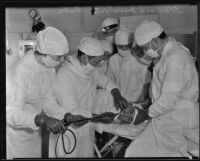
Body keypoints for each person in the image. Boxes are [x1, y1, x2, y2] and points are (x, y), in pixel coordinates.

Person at [43, 37, 129, 158]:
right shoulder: (65, 76)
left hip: (87, 128)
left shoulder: (89, 69)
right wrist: (100, 117)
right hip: (70, 133)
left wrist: (116, 94)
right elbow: (73, 113)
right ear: (84, 58)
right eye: (97, 61)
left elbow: (106, 81)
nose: (99, 64)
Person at [124, 20, 199, 157]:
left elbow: (168, 99)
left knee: (138, 153)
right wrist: (147, 103)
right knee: (134, 152)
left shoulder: (176, 58)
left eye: (146, 48)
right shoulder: (166, 54)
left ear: (154, 40)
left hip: (176, 119)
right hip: (167, 115)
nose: (146, 52)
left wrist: (146, 113)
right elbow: (163, 88)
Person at [6, 26, 69, 159]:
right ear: (44, 53)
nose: (62, 61)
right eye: (59, 57)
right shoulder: (19, 72)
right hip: (16, 136)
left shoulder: (48, 66)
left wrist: (66, 115)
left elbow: (47, 99)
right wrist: (42, 119)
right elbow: (10, 113)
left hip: (34, 132)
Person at [108, 28, 151, 103]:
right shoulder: (113, 60)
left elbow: (146, 84)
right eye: (121, 47)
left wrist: (140, 103)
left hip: (137, 102)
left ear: (132, 44)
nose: (124, 49)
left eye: (127, 46)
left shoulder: (140, 59)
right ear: (116, 45)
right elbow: (109, 82)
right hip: (119, 102)